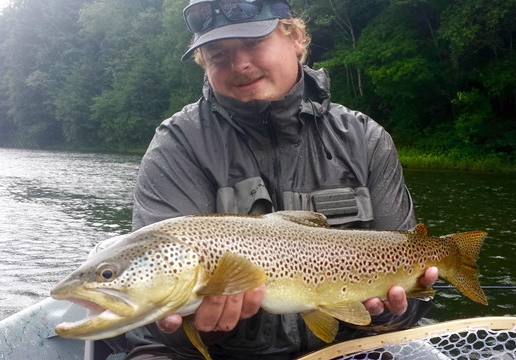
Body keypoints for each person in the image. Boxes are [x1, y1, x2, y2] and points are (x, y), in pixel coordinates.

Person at [125, 0, 438, 358]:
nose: (239, 64)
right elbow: (153, 317)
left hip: (347, 348)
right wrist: (195, 328)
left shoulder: (365, 140)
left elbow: (414, 285)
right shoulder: (177, 147)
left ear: (297, 39)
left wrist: (389, 313)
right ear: (204, 63)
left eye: (254, 44)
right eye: (217, 54)